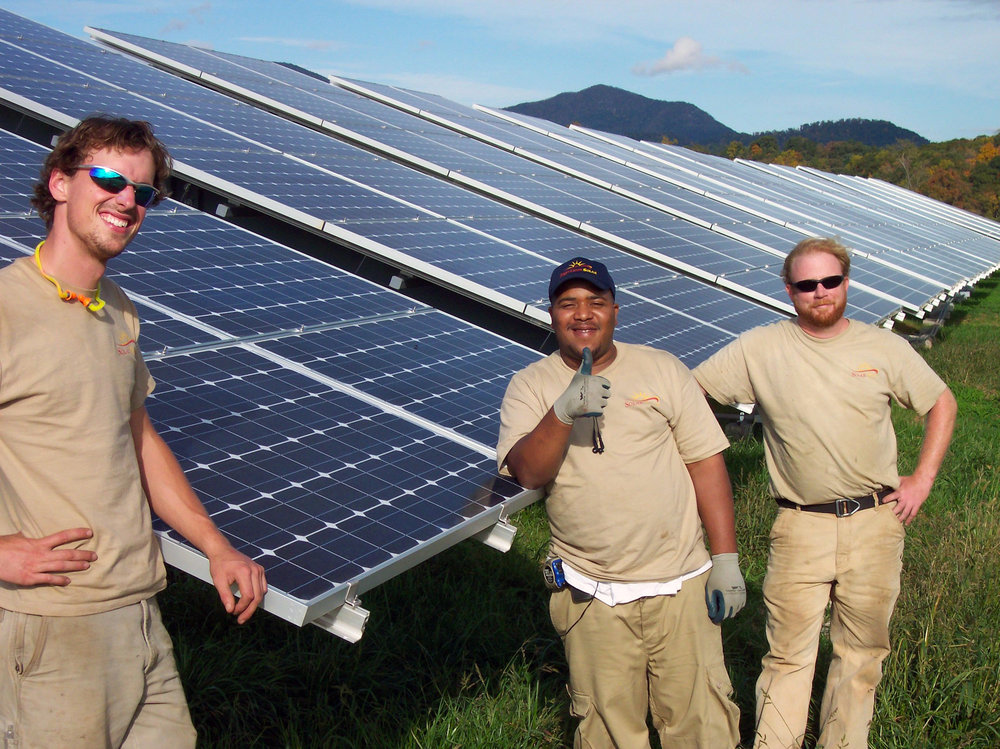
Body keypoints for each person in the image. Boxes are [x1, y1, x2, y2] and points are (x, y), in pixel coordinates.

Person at [0, 116, 268, 748]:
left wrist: (214, 545)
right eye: (108, 179)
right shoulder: (8, 309)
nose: (127, 201)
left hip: (141, 608)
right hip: (55, 627)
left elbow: (140, 441)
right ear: (59, 183)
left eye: (142, 193)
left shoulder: (117, 307)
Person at [694, 237, 957, 749]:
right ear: (789, 290)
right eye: (807, 284)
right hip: (799, 525)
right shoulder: (759, 348)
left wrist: (921, 479)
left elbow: (941, 403)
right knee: (788, 655)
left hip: (876, 522)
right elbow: (690, 393)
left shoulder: (883, 348)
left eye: (830, 281)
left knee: (861, 655)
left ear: (846, 282)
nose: (820, 292)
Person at [497, 257, 745, 749]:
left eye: (595, 302)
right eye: (568, 304)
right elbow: (529, 470)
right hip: (591, 594)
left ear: (616, 310)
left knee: (701, 726)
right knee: (608, 731)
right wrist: (564, 410)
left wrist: (726, 560)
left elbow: (706, 465)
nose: (582, 314)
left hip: (683, 588)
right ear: (552, 315)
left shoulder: (662, 368)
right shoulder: (530, 384)